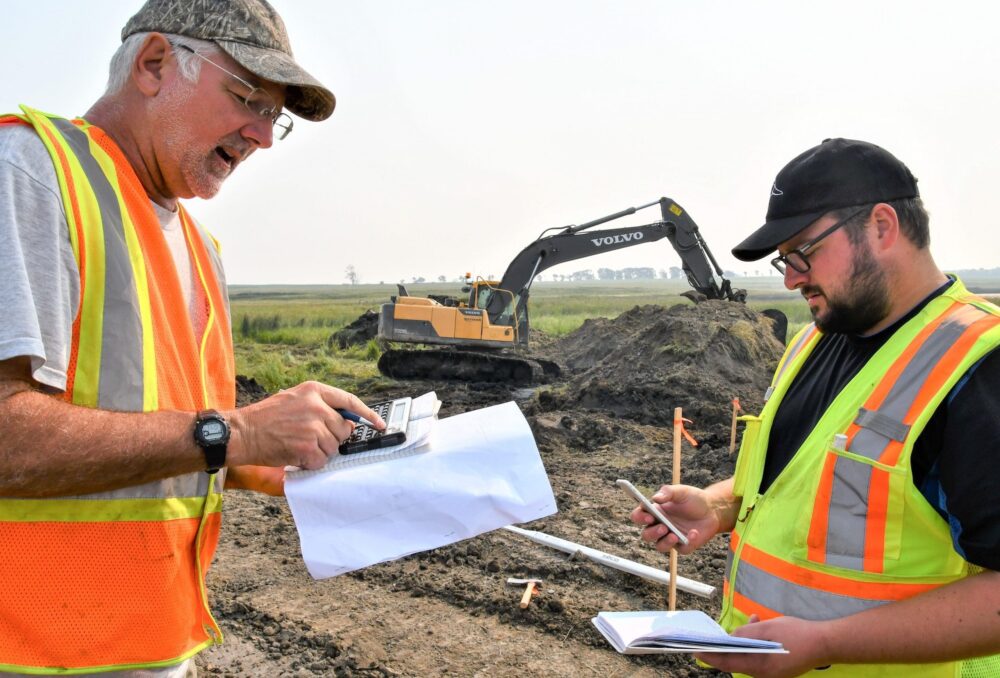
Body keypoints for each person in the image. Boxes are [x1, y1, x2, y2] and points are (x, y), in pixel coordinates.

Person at [0, 1, 386, 675]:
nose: (262, 136)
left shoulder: (199, 246)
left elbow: (176, 441)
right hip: (29, 652)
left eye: (275, 118)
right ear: (153, 64)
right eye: (248, 98)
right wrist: (232, 434)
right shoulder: (31, 174)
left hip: (145, 646)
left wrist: (290, 455)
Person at [630, 138, 1000, 677]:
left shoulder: (977, 366)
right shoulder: (812, 343)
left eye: (803, 252)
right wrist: (715, 507)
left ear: (881, 226)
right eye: (785, 259)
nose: (790, 277)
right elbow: (811, 489)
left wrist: (828, 643)